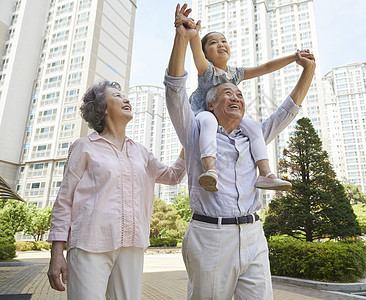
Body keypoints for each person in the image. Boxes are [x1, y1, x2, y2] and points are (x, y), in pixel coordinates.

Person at [164, 4, 315, 299]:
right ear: (210, 103)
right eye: (227, 93)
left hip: (254, 235)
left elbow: (287, 110)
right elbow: (175, 90)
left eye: (239, 94)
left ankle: (267, 174)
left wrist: (306, 70)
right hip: (210, 237)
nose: (235, 96)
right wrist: (183, 38)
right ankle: (211, 169)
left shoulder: (252, 133)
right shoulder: (195, 130)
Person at [46, 80, 186, 299]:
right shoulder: (85, 146)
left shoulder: (140, 151)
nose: (126, 99)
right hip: (89, 244)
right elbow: (64, 200)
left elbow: (173, 176)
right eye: (118, 95)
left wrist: (190, 140)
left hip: (132, 244)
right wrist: (56, 253)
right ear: (102, 108)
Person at [173, 4, 312, 192]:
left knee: (254, 127)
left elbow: (265, 68)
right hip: (204, 113)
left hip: (226, 119)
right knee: (208, 123)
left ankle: (265, 173)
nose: (221, 44)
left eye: (223, 41)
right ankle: (210, 170)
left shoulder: (235, 73)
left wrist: (294, 57)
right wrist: (193, 33)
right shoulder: (206, 70)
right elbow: (196, 50)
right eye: (213, 43)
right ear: (206, 54)